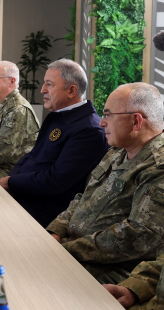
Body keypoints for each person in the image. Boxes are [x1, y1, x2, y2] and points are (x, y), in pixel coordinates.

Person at [47, 83, 164, 285]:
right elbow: (84, 196)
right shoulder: (117, 151)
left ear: (136, 121)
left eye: (108, 115)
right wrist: (56, 231)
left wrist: (65, 249)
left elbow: (136, 237)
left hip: (115, 268)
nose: (101, 123)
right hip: (75, 249)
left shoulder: (157, 167)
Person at [0, 59, 108, 227]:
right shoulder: (57, 116)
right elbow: (32, 155)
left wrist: (12, 183)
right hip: (25, 193)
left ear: (72, 90)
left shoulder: (90, 130)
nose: (42, 89)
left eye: (49, 84)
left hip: (48, 208)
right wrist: (11, 181)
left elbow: (56, 181)